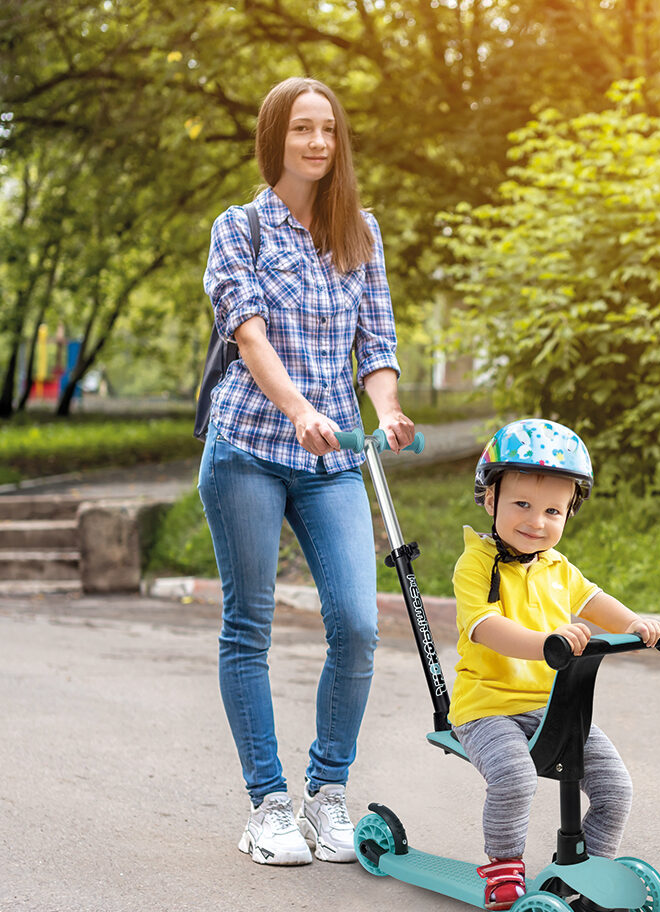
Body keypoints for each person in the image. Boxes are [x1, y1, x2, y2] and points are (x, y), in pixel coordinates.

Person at [199, 77, 414, 867]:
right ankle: (268, 805)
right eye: (302, 129)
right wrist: (297, 408)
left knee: (358, 626)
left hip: (331, 462)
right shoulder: (241, 228)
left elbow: (376, 342)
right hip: (250, 446)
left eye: (328, 129)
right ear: (275, 138)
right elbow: (249, 337)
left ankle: (328, 795)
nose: (317, 143)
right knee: (248, 627)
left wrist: (384, 408)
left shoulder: (360, 230)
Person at [450, 418, 660, 912]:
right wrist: (544, 644)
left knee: (615, 786)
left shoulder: (558, 567)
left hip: (549, 708)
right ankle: (503, 867)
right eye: (521, 504)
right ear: (490, 500)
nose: (536, 521)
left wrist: (634, 623)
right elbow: (484, 627)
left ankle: (589, 872)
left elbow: (592, 599)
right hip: (486, 710)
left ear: (569, 511)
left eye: (553, 510)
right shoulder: (476, 564)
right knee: (514, 777)